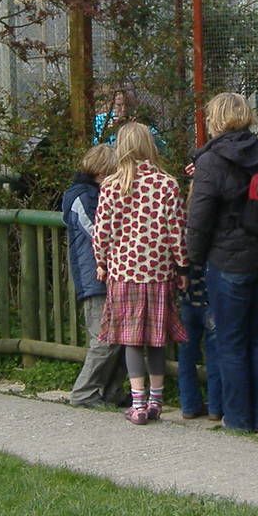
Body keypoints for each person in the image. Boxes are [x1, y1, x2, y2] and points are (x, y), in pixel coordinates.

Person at [185, 91, 258, 433]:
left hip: (229, 261)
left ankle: (238, 418)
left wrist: (192, 263)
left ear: (214, 119)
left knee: (231, 342)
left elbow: (199, 219)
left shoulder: (211, 161)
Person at [91, 122, 187, 425]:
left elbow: (101, 231)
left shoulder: (111, 185)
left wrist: (102, 262)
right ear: (149, 145)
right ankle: (157, 400)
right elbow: (177, 231)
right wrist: (181, 265)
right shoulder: (167, 184)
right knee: (156, 338)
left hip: (123, 272)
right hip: (158, 271)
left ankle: (138, 403)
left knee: (132, 339)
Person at [61, 144, 129, 409]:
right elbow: (99, 233)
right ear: (102, 171)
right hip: (95, 277)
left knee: (120, 338)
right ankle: (84, 392)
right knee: (104, 339)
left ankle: (112, 390)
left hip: (112, 274)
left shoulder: (95, 194)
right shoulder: (82, 197)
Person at [175, 260, 218, 420]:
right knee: (214, 353)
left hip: (187, 297)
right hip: (211, 298)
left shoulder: (184, 238)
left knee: (186, 354)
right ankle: (216, 406)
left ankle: (189, 405)